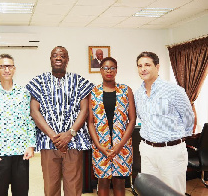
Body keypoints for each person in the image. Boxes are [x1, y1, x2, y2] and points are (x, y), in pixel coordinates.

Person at [26, 46, 94, 196]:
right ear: (50, 59)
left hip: (74, 142)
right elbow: (34, 111)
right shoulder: (39, 82)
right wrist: (53, 136)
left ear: (67, 60)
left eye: (62, 56)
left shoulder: (79, 81)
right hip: (48, 142)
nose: (58, 58)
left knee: (74, 186)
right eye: (55, 55)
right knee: (51, 186)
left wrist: (70, 134)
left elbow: (85, 110)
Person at [134, 51, 194, 194]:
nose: (143, 69)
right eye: (140, 65)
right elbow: (143, 119)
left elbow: (189, 119)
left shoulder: (173, 90)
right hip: (147, 150)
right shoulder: (138, 94)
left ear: (157, 67)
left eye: (147, 65)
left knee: (174, 192)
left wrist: (175, 139)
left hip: (171, 151)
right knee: (150, 191)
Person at [0, 54, 36, 196]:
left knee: (21, 192)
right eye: (2, 66)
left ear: (14, 69)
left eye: (9, 66)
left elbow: (30, 120)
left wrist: (31, 144)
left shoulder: (24, 93)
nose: (6, 69)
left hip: (20, 153)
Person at [88, 57, 136, 196]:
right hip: (100, 146)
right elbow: (90, 122)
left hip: (122, 145)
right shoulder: (94, 92)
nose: (109, 71)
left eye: (112, 68)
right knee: (102, 181)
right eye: (105, 68)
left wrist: (120, 145)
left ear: (116, 70)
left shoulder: (126, 91)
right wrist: (99, 145)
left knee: (119, 182)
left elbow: (132, 120)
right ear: (101, 71)